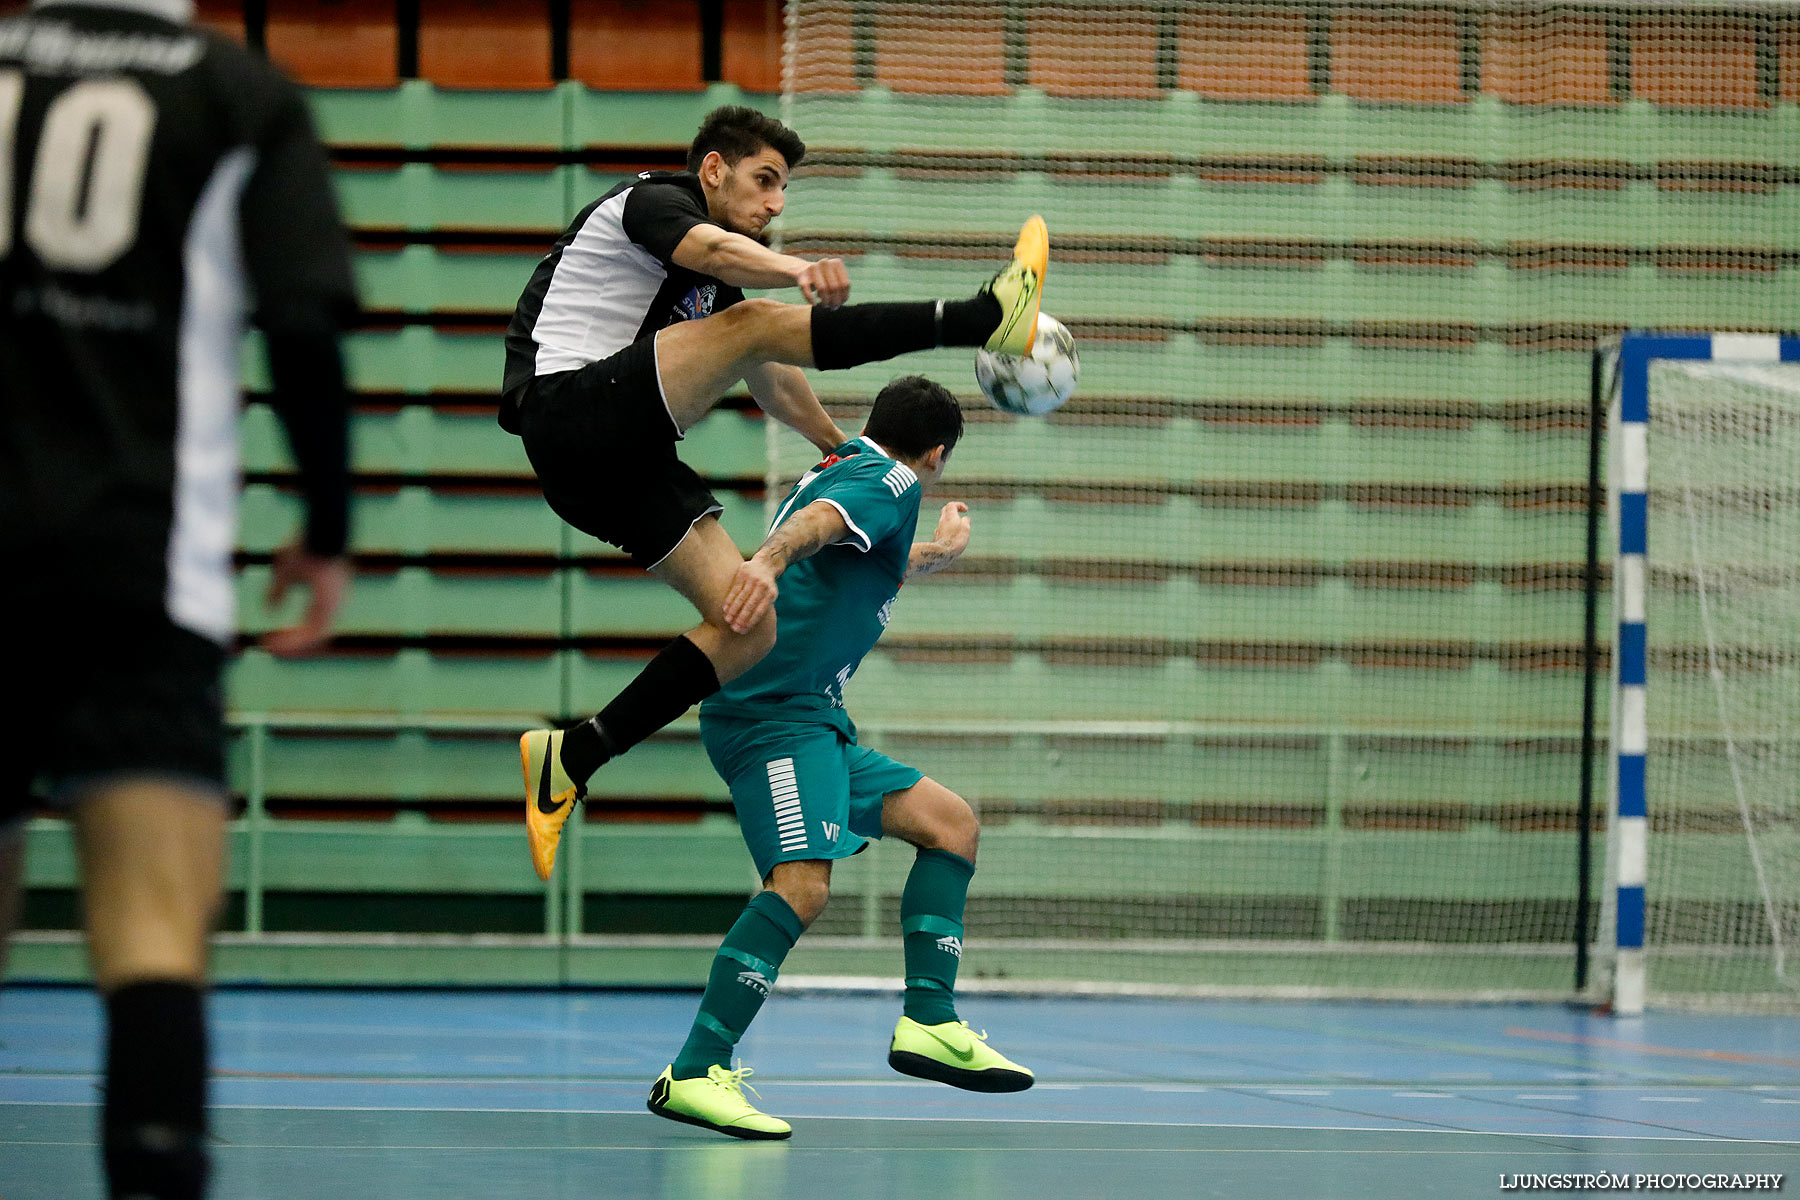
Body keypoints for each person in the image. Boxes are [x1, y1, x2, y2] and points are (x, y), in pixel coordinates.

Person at [0, 2, 358, 1197]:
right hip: (132, 566)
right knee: (151, 927)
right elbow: (302, 319)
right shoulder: (235, 93)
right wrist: (330, 524)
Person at [505, 105, 1049, 881]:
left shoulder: (719, 295)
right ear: (713, 170)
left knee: (747, 627)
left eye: (783, 190)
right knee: (757, 319)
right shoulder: (651, 203)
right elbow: (715, 254)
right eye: (765, 182)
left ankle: (573, 755)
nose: (775, 205)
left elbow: (772, 375)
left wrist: (838, 451)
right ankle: (983, 315)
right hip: (566, 412)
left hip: (617, 464)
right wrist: (794, 271)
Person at [644, 375, 1033, 1141]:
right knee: (801, 887)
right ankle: (695, 1070)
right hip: (771, 718)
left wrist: (935, 554)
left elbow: (859, 551)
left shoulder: (849, 465)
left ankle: (929, 1020)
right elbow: (822, 529)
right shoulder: (888, 479)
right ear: (937, 454)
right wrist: (767, 562)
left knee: (951, 825)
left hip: (815, 720)